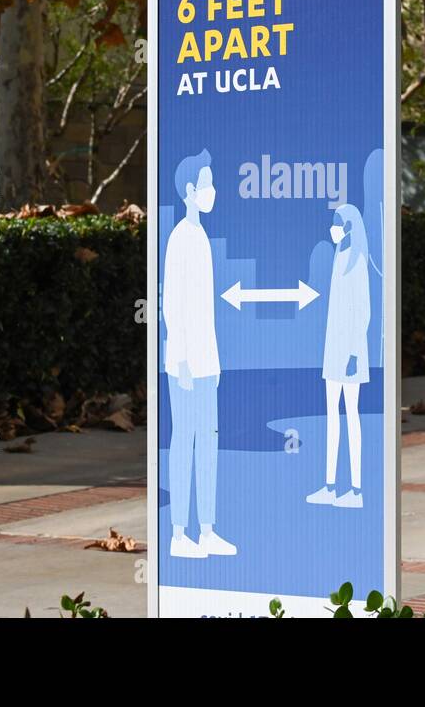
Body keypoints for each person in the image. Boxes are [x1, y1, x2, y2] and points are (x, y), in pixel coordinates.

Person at [162, 149, 237, 558]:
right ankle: (178, 535)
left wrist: (214, 361)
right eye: (207, 184)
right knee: (184, 442)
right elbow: (174, 306)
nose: (213, 191)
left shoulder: (201, 236)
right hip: (186, 364)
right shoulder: (180, 239)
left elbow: (204, 310)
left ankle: (206, 530)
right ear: (190, 190)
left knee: (207, 443)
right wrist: (186, 361)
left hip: (207, 362)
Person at [306, 203, 371, 509]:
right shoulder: (340, 257)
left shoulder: (355, 261)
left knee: (350, 417)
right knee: (334, 416)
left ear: (348, 227)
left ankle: (355, 489)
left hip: (349, 353)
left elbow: (362, 312)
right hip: (335, 350)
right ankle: (331, 485)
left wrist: (354, 353)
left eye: (336, 224)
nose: (332, 229)